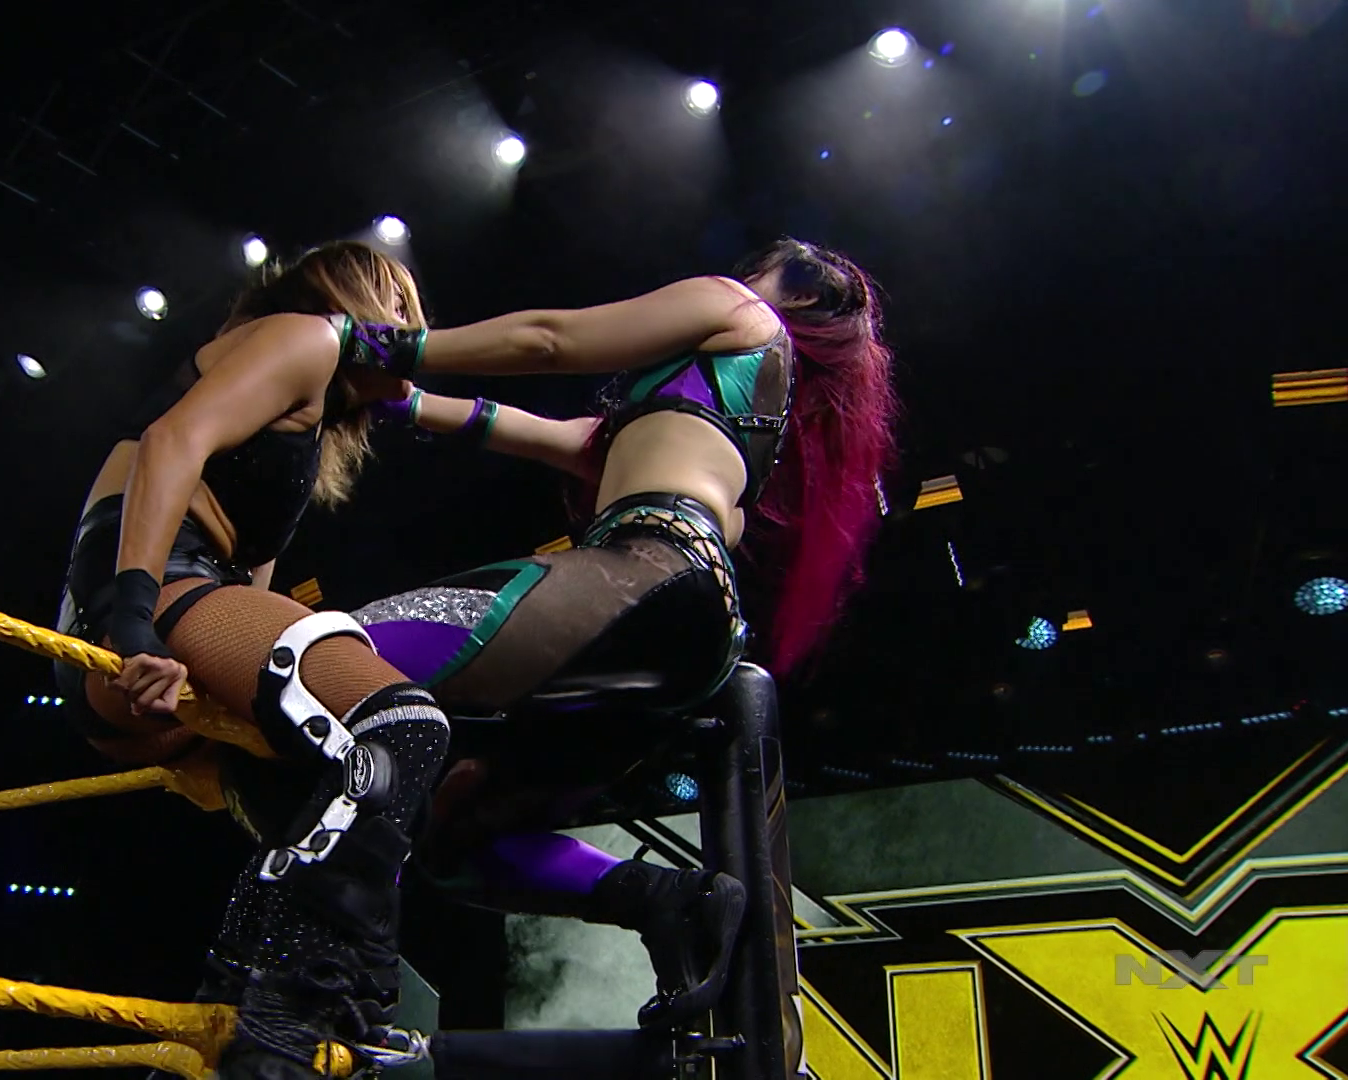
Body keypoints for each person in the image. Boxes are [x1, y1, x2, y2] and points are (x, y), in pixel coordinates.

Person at [342, 238, 899, 1028]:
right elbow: (551, 436)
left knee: (332, 655)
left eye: (761, 265)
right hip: (681, 631)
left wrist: (374, 344)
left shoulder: (737, 311)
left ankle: (324, 977)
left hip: (649, 578)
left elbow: (549, 340)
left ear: (795, 295)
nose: (744, 273)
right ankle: (670, 901)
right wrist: (402, 401)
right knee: (458, 839)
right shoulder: (730, 417)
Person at [50, 241, 454, 1079]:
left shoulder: (305, 421)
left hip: (185, 614)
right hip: (142, 600)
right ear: (355, 299)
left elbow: (251, 581)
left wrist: (251, 696)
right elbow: (170, 443)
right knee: (401, 724)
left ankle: (271, 1001)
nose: (413, 328)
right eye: (400, 308)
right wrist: (132, 626)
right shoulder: (304, 336)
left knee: (339, 777)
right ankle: (278, 1003)